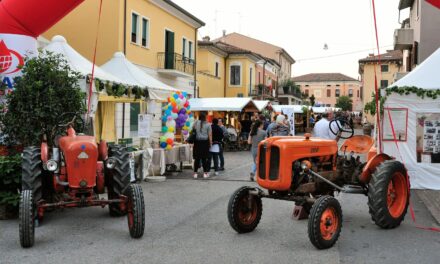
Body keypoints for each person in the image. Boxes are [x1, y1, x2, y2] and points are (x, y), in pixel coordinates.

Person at [192, 112, 212, 179]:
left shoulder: (196, 122)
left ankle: (195, 173)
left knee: (197, 159)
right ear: (205, 117)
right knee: (204, 158)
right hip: (205, 143)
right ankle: (205, 173)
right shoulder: (208, 124)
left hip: (197, 143)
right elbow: (210, 135)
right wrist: (210, 143)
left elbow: (192, 129)